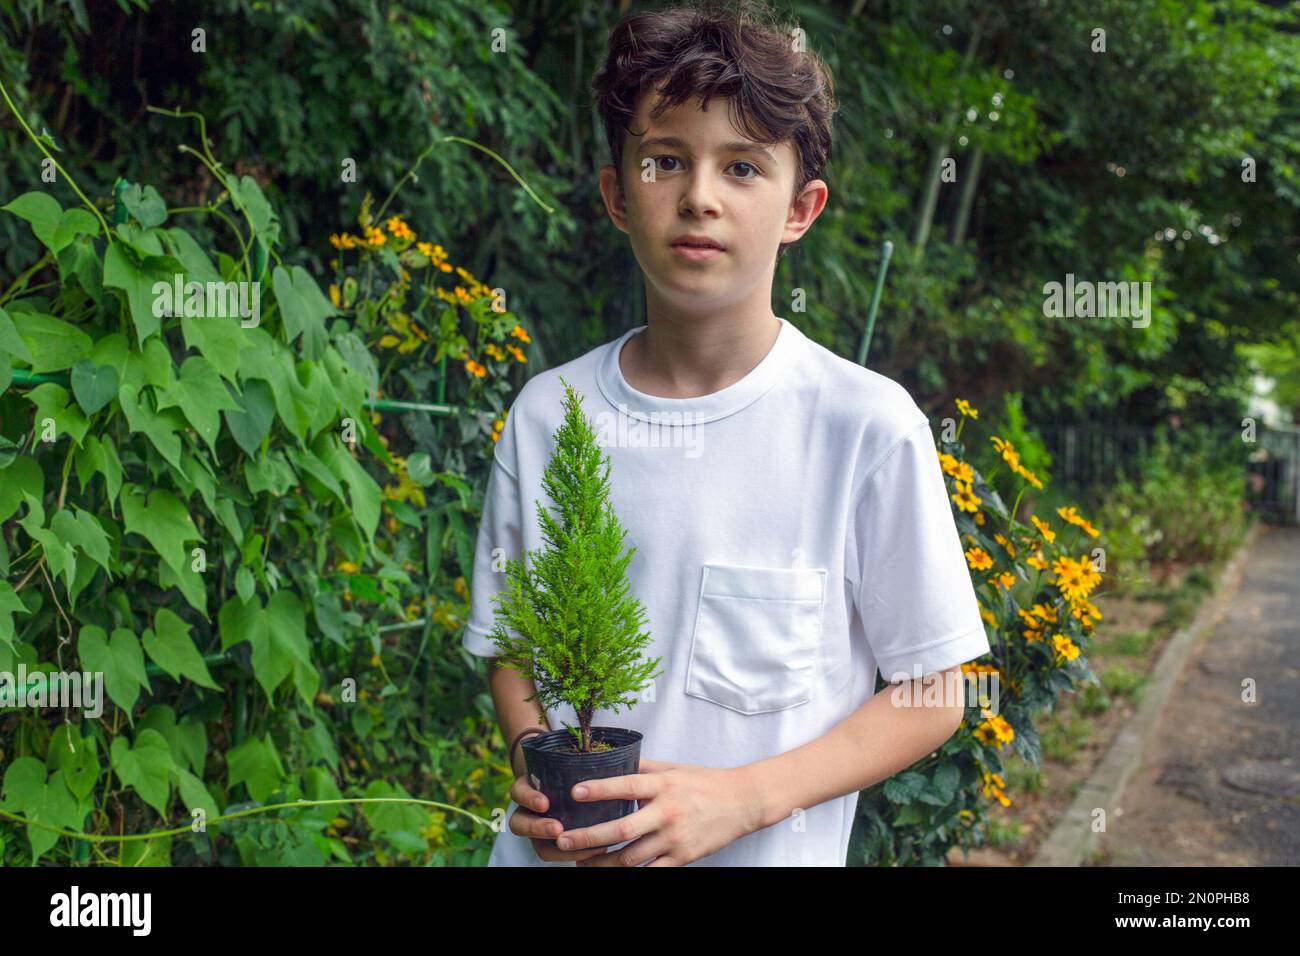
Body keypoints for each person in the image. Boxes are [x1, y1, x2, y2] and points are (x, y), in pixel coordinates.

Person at [463, 0, 990, 866]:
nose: (699, 197)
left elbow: (936, 689)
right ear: (617, 195)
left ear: (801, 208)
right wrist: (537, 770)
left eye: (742, 168)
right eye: (666, 160)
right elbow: (512, 649)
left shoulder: (864, 426)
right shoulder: (548, 417)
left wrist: (742, 802)